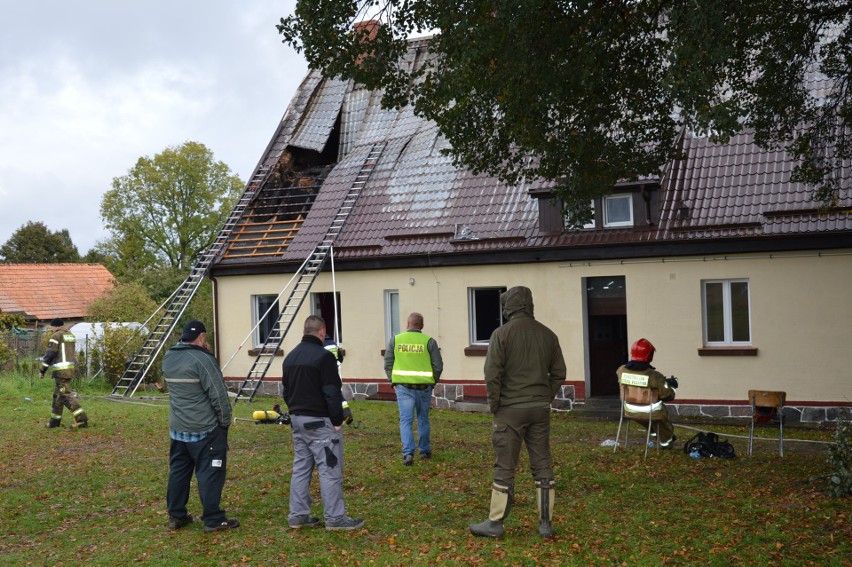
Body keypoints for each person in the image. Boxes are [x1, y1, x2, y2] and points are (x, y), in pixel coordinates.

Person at [469, 286, 566, 539]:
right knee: (542, 464)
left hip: (509, 410)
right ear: (529, 304)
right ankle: (545, 523)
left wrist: (495, 405)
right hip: (539, 409)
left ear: (509, 306)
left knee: (505, 466)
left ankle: (495, 523)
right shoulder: (548, 335)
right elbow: (559, 372)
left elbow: (492, 374)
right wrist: (545, 396)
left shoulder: (501, 334)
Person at [282, 315, 364, 531]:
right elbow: (331, 392)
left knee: (301, 468)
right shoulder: (324, 357)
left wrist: (294, 412)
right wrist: (337, 421)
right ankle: (335, 518)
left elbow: (286, 391)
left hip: (298, 420)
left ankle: (297, 516)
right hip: (320, 423)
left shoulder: (289, 358)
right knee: (330, 469)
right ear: (322, 331)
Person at [163, 320, 239, 534]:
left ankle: (176, 515)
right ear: (203, 337)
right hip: (204, 429)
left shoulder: (169, 357)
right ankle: (213, 518)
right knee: (210, 473)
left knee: (178, 472)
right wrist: (224, 424)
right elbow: (219, 395)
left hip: (178, 429)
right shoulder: (204, 360)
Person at [384, 312, 443, 466]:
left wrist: (393, 381)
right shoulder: (429, 341)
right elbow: (438, 365)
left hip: (403, 387)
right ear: (422, 326)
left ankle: (408, 453)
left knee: (406, 420)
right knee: (423, 419)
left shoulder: (396, 340)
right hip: (424, 388)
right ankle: (424, 450)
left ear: (407, 324)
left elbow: (388, 363)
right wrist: (432, 382)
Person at [615, 338, 678, 449]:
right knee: (663, 423)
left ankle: (656, 434)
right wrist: (672, 386)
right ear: (649, 355)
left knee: (647, 420)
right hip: (651, 412)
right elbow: (667, 396)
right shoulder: (655, 376)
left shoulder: (621, 370)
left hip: (629, 411)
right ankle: (666, 443)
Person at [40, 318, 88, 428]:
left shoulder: (56, 336)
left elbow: (50, 354)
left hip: (61, 371)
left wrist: (42, 370)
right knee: (58, 395)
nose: (51, 330)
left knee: (65, 394)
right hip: (69, 370)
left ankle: (82, 420)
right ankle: (54, 421)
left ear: (55, 326)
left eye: (52, 327)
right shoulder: (70, 335)